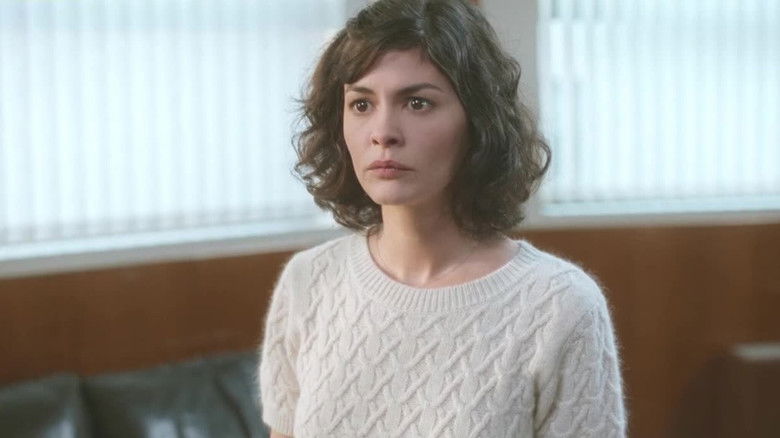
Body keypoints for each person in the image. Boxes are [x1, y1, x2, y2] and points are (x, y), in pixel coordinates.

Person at [258, 0, 627, 436]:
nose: (383, 132)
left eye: (417, 103)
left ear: (478, 122)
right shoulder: (308, 282)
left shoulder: (560, 306)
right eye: (361, 104)